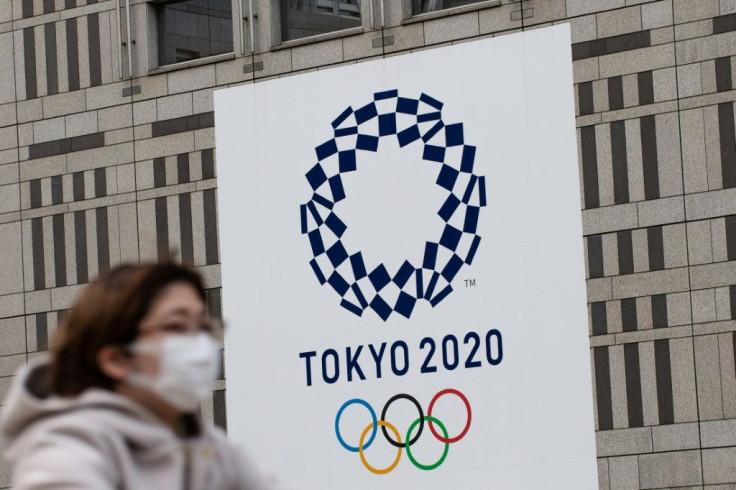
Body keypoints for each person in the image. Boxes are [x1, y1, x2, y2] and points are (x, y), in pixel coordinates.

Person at [0, 262, 271, 489]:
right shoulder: (66, 450)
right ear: (116, 360)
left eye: (202, 327)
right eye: (176, 327)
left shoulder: (210, 447)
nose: (200, 345)